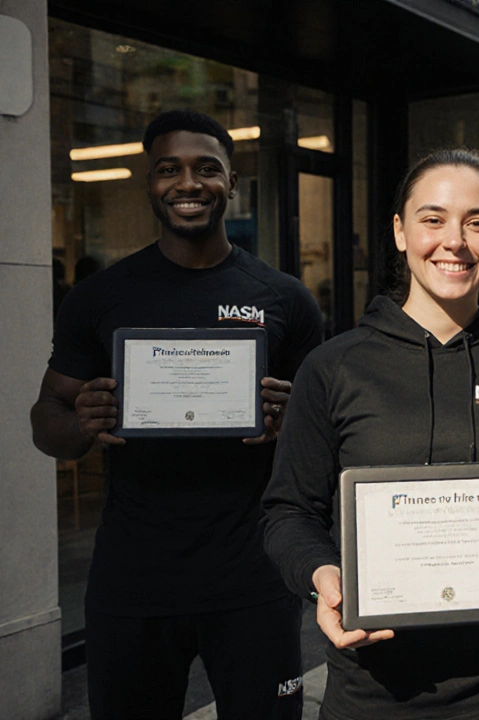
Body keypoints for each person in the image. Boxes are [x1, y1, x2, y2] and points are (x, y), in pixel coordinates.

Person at [261, 149, 479, 720]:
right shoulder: (334, 368)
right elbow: (288, 511)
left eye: (477, 222)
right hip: (373, 694)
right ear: (400, 231)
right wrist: (322, 579)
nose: (455, 242)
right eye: (433, 219)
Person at [29, 110, 324, 719]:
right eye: (169, 169)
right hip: (134, 579)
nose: (188, 183)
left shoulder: (283, 298)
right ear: (150, 183)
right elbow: (46, 420)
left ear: (232, 183)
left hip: (252, 576)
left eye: (206, 168)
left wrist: (291, 421)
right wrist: (83, 422)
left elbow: (324, 436)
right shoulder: (100, 296)